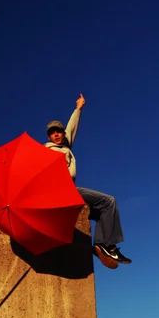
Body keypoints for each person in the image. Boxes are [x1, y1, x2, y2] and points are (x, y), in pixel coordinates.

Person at [45, 93, 132, 269]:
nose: (56, 135)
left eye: (59, 132)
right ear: (49, 137)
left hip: (68, 191)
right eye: (52, 133)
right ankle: (107, 245)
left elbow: (71, 128)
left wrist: (78, 108)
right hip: (62, 192)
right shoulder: (46, 151)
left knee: (103, 212)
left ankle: (101, 245)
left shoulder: (65, 146)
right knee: (108, 201)